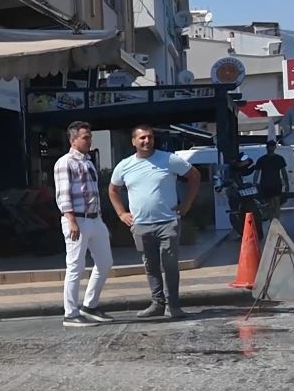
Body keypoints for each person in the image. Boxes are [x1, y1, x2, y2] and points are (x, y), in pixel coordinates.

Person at [109, 125, 200, 321]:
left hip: (168, 222)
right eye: (141, 138)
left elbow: (194, 176)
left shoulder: (169, 159)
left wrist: (185, 205)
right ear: (133, 141)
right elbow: (113, 190)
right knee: (150, 265)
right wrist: (121, 213)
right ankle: (157, 303)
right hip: (141, 225)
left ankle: (173, 305)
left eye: (149, 137)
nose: (146, 141)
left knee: (169, 264)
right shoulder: (124, 165)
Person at [53, 121, 113, 329]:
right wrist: (71, 220)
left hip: (94, 218)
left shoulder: (88, 162)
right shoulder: (65, 162)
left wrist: (100, 218)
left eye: (89, 137)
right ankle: (70, 313)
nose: (89, 141)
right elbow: (63, 194)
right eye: (85, 137)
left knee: (105, 262)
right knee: (75, 266)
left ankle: (90, 305)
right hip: (76, 219)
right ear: (73, 140)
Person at [251, 140, 290, 225]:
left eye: (273, 146)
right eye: (270, 146)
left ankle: (275, 221)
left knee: (276, 202)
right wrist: (254, 183)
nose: (271, 148)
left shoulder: (279, 159)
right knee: (268, 203)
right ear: (267, 147)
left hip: (276, 183)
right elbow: (257, 172)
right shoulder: (261, 159)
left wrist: (287, 184)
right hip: (265, 184)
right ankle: (271, 221)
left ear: (275, 147)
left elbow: (283, 172)